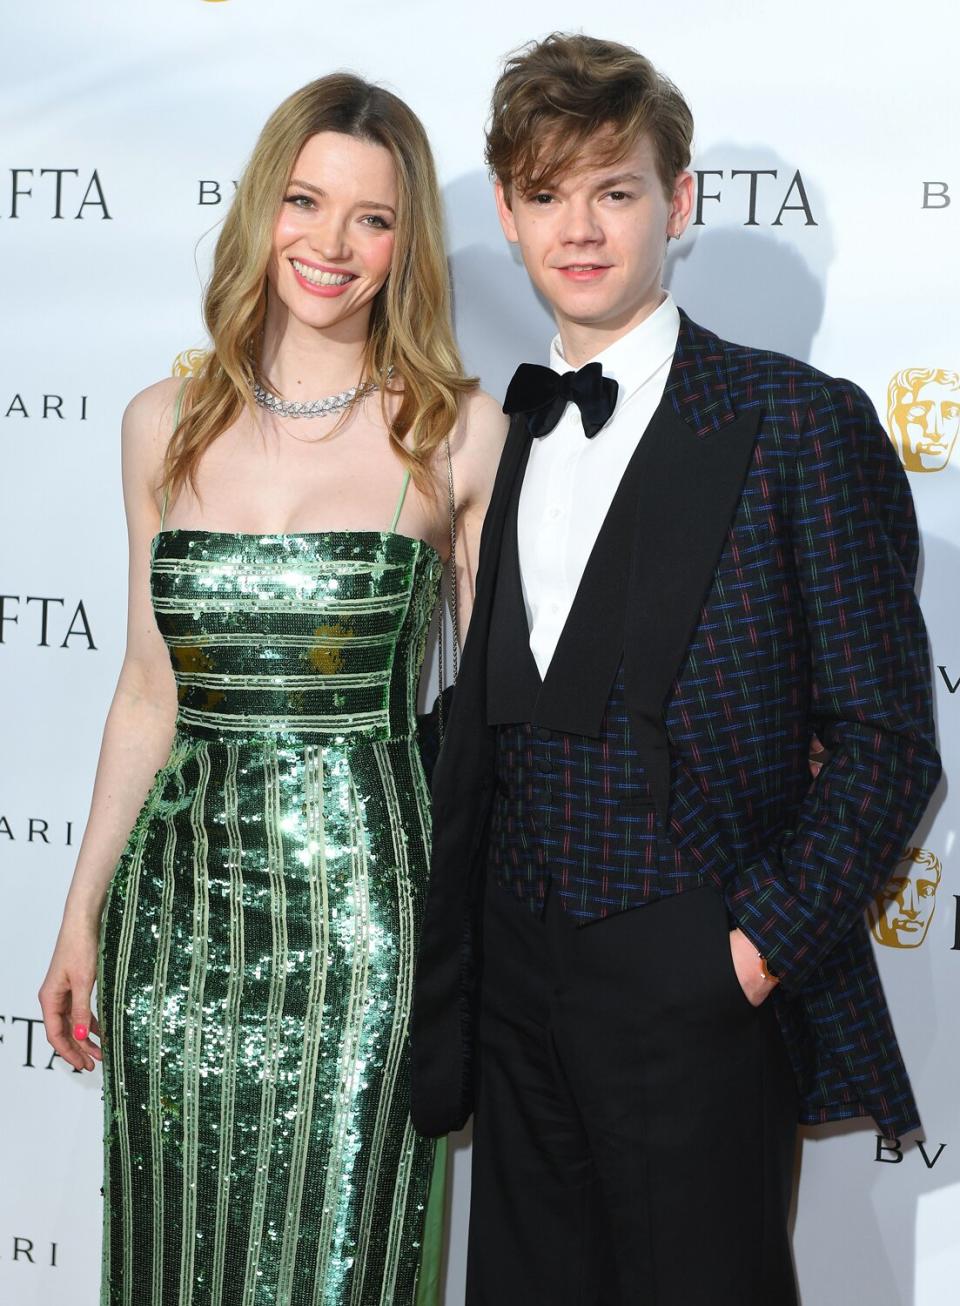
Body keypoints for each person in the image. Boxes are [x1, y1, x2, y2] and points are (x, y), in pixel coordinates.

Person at [410, 33, 941, 1305]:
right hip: (514, 983)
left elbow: (885, 742)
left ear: (679, 202)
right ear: (507, 212)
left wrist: (752, 949)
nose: (578, 228)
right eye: (546, 193)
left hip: (694, 976)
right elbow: (494, 704)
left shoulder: (796, 422)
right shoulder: (507, 430)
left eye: (614, 189)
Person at [39, 73, 505, 1306]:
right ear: (262, 209)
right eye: (306, 201)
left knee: (340, 1255)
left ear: (407, 247)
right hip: (174, 916)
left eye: (373, 218)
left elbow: (515, 699)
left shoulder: (456, 432)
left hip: (370, 929)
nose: (332, 245)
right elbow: (146, 690)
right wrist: (83, 910)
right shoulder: (163, 421)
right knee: (171, 1252)